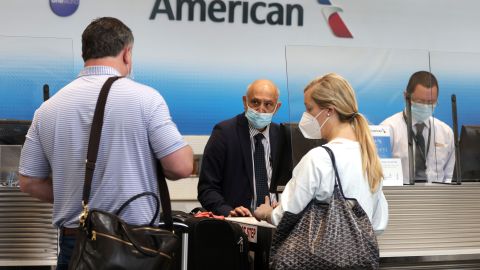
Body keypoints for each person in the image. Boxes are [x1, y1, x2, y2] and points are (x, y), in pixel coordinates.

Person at [18, 17, 193, 269]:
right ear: (127, 53)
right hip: (135, 245)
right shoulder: (146, 99)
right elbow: (181, 167)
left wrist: (74, 196)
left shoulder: (47, 109)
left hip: (76, 244)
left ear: (84, 53)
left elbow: (29, 181)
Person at [254, 73, 388, 236]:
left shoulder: (319, 159)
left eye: (309, 108)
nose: (306, 116)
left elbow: (285, 216)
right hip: (362, 258)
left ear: (329, 110)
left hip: (319, 259)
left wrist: (267, 213)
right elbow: (379, 224)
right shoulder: (369, 158)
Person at [198, 79, 282, 217]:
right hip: (238, 225)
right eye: (255, 102)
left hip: (274, 221)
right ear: (245, 102)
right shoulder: (224, 133)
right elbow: (207, 189)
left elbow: (292, 185)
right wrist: (228, 212)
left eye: (268, 104)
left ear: (277, 107)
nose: (261, 109)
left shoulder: (282, 135)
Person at [380, 71, 455, 183]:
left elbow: (449, 177)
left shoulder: (446, 132)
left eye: (431, 102)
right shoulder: (388, 129)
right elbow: (379, 175)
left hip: (438, 196)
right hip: (400, 196)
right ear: (406, 96)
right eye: (420, 101)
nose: (425, 106)